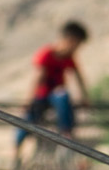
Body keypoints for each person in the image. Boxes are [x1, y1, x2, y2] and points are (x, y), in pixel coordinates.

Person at [13, 22, 91, 156]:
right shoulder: (47, 54)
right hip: (41, 96)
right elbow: (38, 79)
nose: (77, 49)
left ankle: (66, 133)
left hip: (56, 97)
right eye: (77, 45)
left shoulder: (69, 58)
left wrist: (85, 97)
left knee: (63, 95)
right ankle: (17, 149)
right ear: (69, 40)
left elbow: (79, 77)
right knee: (27, 119)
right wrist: (28, 100)